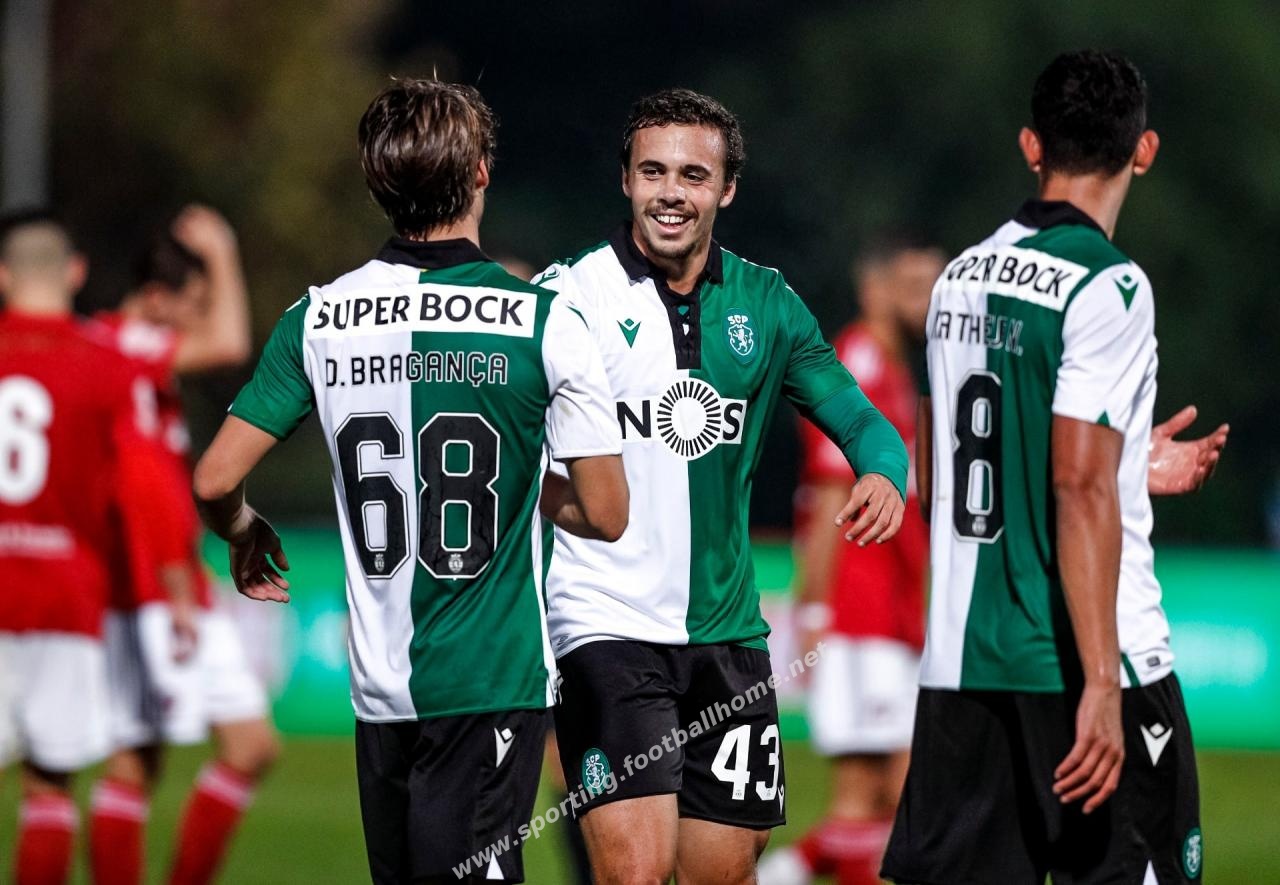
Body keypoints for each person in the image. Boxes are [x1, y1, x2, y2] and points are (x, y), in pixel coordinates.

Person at [191, 78, 629, 884]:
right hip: (490, 681)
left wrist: (244, 531)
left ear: (377, 183)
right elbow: (606, 511)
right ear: (482, 172)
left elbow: (215, 476)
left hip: (379, 690)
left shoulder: (318, 318)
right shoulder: (545, 319)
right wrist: (526, 487)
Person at [537, 88, 909, 884]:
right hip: (605, 626)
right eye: (653, 171)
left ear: (727, 188)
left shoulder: (767, 303)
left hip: (728, 636)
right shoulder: (566, 297)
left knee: (724, 872)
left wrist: (885, 470)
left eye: (694, 175)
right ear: (626, 180)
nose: (671, 191)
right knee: (636, 872)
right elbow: (503, 441)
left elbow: (860, 419)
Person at [882, 50, 1224, 884]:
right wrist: (1101, 681)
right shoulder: (1110, 285)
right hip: (1083, 662)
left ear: (1032, 146)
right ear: (1144, 150)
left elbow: (941, 473)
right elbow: (1076, 481)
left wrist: (1122, 466)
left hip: (962, 665)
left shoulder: (957, 279)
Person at [87, 206, 279, 885]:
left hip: (167, 578)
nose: (197, 322)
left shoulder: (133, 363)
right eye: (191, 305)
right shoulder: (124, 345)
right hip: (146, 584)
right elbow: (229, 342)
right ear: (156, 298)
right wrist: (222, 251)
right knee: (143, 758)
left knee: (207, 750)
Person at [761, 232, 943, 885]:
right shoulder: (859, 364)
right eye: (914, 286)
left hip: (890, 612)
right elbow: (831, 496)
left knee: (875, 798)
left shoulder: (894, 370)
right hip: (861, 613)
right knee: (900, 789)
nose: (927, 301)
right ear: (875, 288)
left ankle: (780, 872)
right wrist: (816, 610)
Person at [0, 209, 142, 884]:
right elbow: (135, 491)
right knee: (50, 787)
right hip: (66, 594)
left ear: (3, 276)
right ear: (72, 274)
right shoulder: (108, 367)